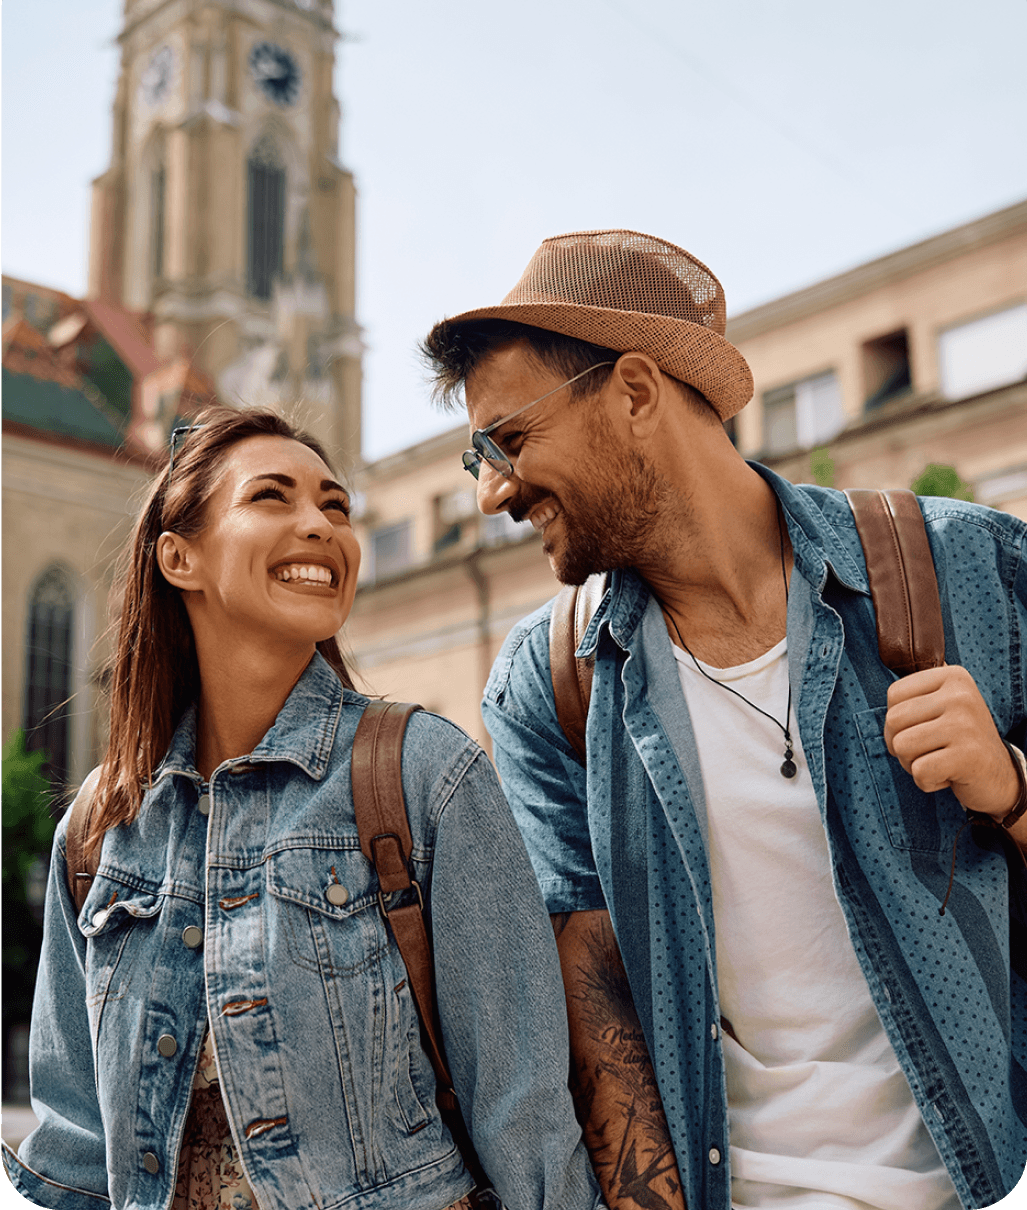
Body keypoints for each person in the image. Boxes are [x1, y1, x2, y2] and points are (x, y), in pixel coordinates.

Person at [421, 230, 1027, 1210]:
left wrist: (1011, 787)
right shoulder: (550, 683)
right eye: (476, 457)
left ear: (633, 392)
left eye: (509, 441)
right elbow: (594, 1004)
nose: (491, 493)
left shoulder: (965, 572)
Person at [2, 406, 604, 1210]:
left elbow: (523, 1117)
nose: (320, 525)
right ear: (179, 557)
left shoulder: (423, 772)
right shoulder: (99, 827)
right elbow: (72, 1149)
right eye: (273, 498)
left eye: (336, 505)